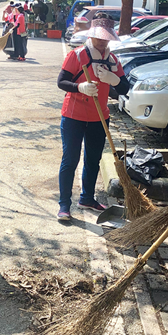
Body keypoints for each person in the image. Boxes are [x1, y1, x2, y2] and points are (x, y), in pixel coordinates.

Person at [56, 14, 131, 220]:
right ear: (92, 35)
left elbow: (124, 87)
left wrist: (113, 79)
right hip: (73, 116)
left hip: (99, 117)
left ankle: (87, 198)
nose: (102, 41)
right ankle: (64, 205)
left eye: (106, 37)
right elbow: (61, 82)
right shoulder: (77, 56)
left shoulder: (113, 60)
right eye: (99, 37)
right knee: (70, 160)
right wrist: (80, 87)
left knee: (93, 159)